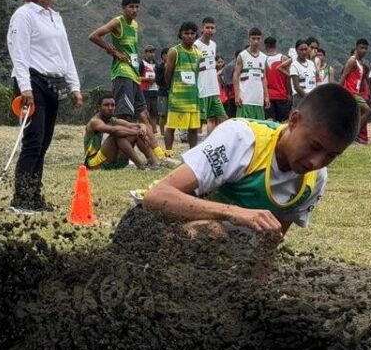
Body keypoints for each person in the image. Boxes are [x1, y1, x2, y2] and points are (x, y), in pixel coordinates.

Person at [137, 83, 358, 241]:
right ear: (294, 121)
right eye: (315, 146)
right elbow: (156, 197)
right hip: (151, 231)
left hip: (219, 250)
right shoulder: (241, 140)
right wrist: (233, 212)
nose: (316, 162)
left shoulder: (314, 180)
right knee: (211, 232)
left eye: (331, 156)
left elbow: (270, 243)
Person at [7, 0, 84, 214]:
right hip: (32, 81)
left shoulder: (55, 17)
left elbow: (65, 53)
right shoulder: (24, 15)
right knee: (33, 141)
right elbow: (18, 52)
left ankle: (34, 195)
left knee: (44, 143)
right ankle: (21, 198)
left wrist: (75, 86)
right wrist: (25, 88)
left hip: (53, 83)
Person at [88, 0, 155, 134]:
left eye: (137, 7)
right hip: (122, 72)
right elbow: (94, 36)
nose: (134, 10)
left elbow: (131, 49)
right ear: (124, 8)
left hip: (134, 73)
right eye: (131, 7)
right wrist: (113, 51)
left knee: (143, 114)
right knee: (124, 114)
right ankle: (118, 148)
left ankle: (155, 151)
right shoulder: (118, 22)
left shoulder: (135, 25)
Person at [84, 96, 161, 171]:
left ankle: (154, 163)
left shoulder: (112, 120)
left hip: (113, 160)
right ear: (99, 107)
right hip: (95, 164)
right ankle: (140, 165)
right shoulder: (94, 122)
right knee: (118, 134)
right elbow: (114, 130)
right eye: (106, 105)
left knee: (133, 130)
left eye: (112, 105)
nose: (110, 108)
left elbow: (138, 125)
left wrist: (142, 130)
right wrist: (136, 132)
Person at [163, 22, 203, 152]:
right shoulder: (174, 51)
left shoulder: (198, 53)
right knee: (171, 125)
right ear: (181, 34)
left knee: (193, 127)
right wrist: (172, 89)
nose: (189, 36)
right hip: (178, 97)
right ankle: (168, 152)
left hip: (193, 97)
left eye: (192, 33)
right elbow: (168, 74)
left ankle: (192, 152)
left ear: (196, 35)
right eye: (186, 33)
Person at [194, 17, 228, 134]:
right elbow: (194, 67)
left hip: (214, 89)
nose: (210, 30)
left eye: (212, 28)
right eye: (207, 27)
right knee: (199, 120)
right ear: (202, 28)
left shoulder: (213, 45)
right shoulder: (196, 45)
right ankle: (196, 145)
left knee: (222, 118)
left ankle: (212, 142)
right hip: (201, 89)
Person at [233, 28, 270, 120]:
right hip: (245, 99)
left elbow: (264, 78)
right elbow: (236, 75)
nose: (256, 41)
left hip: (258, 100)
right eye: (253, 38)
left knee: (258, 128)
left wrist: (266, 96)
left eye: (258, 39)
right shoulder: (242, 55)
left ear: (261, 40)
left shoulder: (264, 57)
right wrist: (237, 95)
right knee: (244, 127)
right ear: (249, 39)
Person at [339, 39, 371, 144]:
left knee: (354, 115)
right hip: (350, 92)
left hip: (356, 92)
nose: (364, 50)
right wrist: (338, 92)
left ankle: (353, 136)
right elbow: (343, 75)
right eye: (361, 48)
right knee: (367, 111)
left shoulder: (360, 63)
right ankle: (353, 135)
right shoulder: (352, 61)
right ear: (356, 48)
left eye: (366, 48)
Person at [282, 40, 318, 110]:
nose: (304, 52)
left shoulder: (311, 63)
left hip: (311, 96)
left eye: (305, 49)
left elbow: (315, 79)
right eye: (301, 50)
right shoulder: (294, 65)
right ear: (296, 51)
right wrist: (307, 97)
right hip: (300, 97)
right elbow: (296, 87)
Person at [263, 37, 291, 122]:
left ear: (266, 46)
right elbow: (288, 78)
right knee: (283, 123)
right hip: (282, 95)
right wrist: (289, 93)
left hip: (268, 96)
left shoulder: (263, 59)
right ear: (275, 45)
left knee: (270, 123)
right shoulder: (283, 58)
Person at [141, 45, 163, 134]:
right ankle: (145, 129)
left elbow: (159, 76)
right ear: (145, 53)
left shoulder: (156, 64)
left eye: (153, 52)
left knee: (154, 112)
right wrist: (146, 79)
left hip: (155, 90)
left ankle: (154, 130)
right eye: (150, 52)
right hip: (145, 90)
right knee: (145, 111)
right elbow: (137, 77)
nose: (152, 54)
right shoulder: (142, 63)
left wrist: (156, 79)